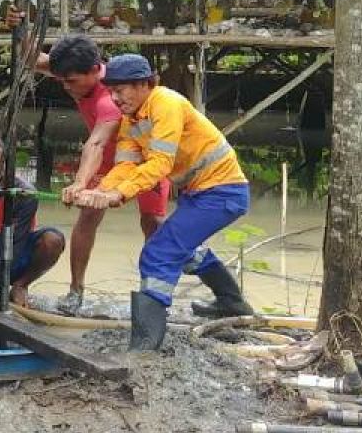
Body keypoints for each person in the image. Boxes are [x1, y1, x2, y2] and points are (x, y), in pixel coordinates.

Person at [76, 53, 254, 351]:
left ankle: (145, 347)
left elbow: (159, 166)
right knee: (181, 250)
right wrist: (99, 191)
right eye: (111, 92)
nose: (115, 99)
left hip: (223, 192)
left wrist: (117, 194)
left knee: (158, 253)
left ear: (145, 84)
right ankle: (231, 303)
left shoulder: (166, 103)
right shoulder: (132, 119)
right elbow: (125, 166)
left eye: (120, 90)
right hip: (201, 193)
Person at [35, 35, 170, 316]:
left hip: (144, 160)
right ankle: (75, 291)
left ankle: (153, 296)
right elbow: (31, 59)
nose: (65, 87)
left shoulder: (109, 101)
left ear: (95, 71)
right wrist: (19, 28)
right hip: (108, 163)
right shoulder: (73, 70)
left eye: (70, 81)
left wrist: (80, 182)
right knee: (87, 216)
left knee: (154, 223)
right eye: (60, 79)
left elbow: (95, 143)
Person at [0, 138, 65, 306]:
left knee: (53, 240)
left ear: (5, 164)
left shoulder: (25, 194)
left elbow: (13, 246)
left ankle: (20, 285)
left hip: (12, 249)